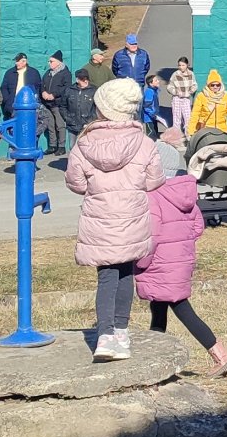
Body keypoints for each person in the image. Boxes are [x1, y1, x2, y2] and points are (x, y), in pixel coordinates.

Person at [66, 78, 164, 362]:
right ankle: (121, 330)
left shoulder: (84, 143)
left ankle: (105, 335)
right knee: (126, 272)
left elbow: (74, 182)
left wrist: (97, 190)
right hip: (131, 217)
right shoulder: (144, 143)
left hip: (100, 219)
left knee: (106, 276)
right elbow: (155, 180)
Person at [137, 139, 227, 378]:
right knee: (159, 307)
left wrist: (140, 264)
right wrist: (182, 244)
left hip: (159, 263)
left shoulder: (153, 196)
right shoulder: (186, 192)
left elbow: (150, 235)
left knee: (182, 309)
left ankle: (220, 353)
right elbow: (197, 226)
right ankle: (157, 357)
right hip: (181, 261)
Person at [39, 51, 74, 155]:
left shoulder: (65, 73)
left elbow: (66, 88)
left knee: (60, 125)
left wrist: (54, 95)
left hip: (58, 103)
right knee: (50, 125)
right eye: (49, 61)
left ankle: (62, 146)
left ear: (58, 62)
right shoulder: (48, 73)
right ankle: (52, 145)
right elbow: (42, 84)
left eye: (51, 61)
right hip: (47, 103)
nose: (49, 63)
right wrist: (43, 92)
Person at [190, 70, 227, 137]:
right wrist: (191, 131)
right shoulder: (201, 96)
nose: (215, 87)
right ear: (208, 85)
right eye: (212, 85)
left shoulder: (225, 96)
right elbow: (195, 114)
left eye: (218, 85)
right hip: (207, 130)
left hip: (222, 131)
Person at [0, 53, 42, 122]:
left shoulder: (33, 73)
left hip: (29, 107)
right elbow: (4, 89)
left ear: (24, 61)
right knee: (13, 129)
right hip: (13, 107)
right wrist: (8, 102)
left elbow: (38, 88)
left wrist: (36, 101)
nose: (16, 63)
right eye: (16, 61)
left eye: (18, 61)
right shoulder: (10, 73)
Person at [167, 59, 198, 137]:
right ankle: (176, 137)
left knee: (188, 117)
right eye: (179, 65)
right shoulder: (175, 74)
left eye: (183, 65)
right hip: (177, 98)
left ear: (187, 65)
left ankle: (188, 135)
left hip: (186, 99)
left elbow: (195, 85)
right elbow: (169, 86)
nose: (181, 67)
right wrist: (176, 93)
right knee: (177, 118)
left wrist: (190, 92)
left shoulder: (191, 74)